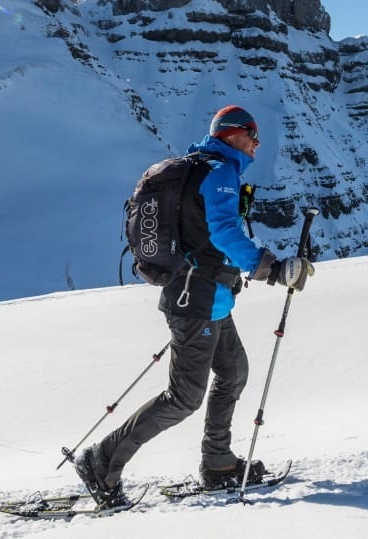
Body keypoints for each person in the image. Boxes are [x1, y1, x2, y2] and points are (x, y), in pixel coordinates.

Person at [74, 105, 314, 507]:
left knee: (233, 372)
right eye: (252, 134)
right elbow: (223, 232)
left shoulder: (207, 169)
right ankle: (101, 461)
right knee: (183, 397)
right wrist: (269, 269)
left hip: (210, 299)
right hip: (194, 300)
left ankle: (218, 463)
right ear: (232, 134)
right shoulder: (219, 173)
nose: (257, 143)